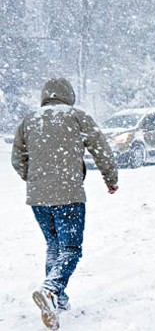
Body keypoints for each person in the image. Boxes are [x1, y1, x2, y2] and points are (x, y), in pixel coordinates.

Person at [11, 78, 119, 330]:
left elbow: (17, 159)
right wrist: (110, 178)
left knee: (53, 245)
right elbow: (101, 149)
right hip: (68, 195)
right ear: (67, 95)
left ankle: (58, 299)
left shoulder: (30, 120)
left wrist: (35, 178)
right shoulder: (76, 116)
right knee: (70, 249)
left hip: (38, 198)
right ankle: (50, 289)